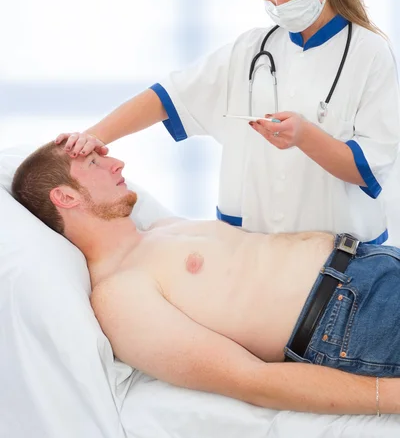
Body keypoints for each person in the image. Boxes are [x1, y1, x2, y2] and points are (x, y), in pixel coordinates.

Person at [55, 0, 400, 244]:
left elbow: (368, 169)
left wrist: (305, 135)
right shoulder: (251, 50)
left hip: (341, 263)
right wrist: (94, 137)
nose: (279, 3)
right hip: (253, 253)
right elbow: (168, 96)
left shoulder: (369, 54)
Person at [11, 142, 400, 416]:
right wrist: (387, 396)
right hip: (356, 317)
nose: (118, 165)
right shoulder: (118, 296)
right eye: (95, 163)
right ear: (65, 198)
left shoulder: (163, 227)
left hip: (374, 261)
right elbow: (250, 380)